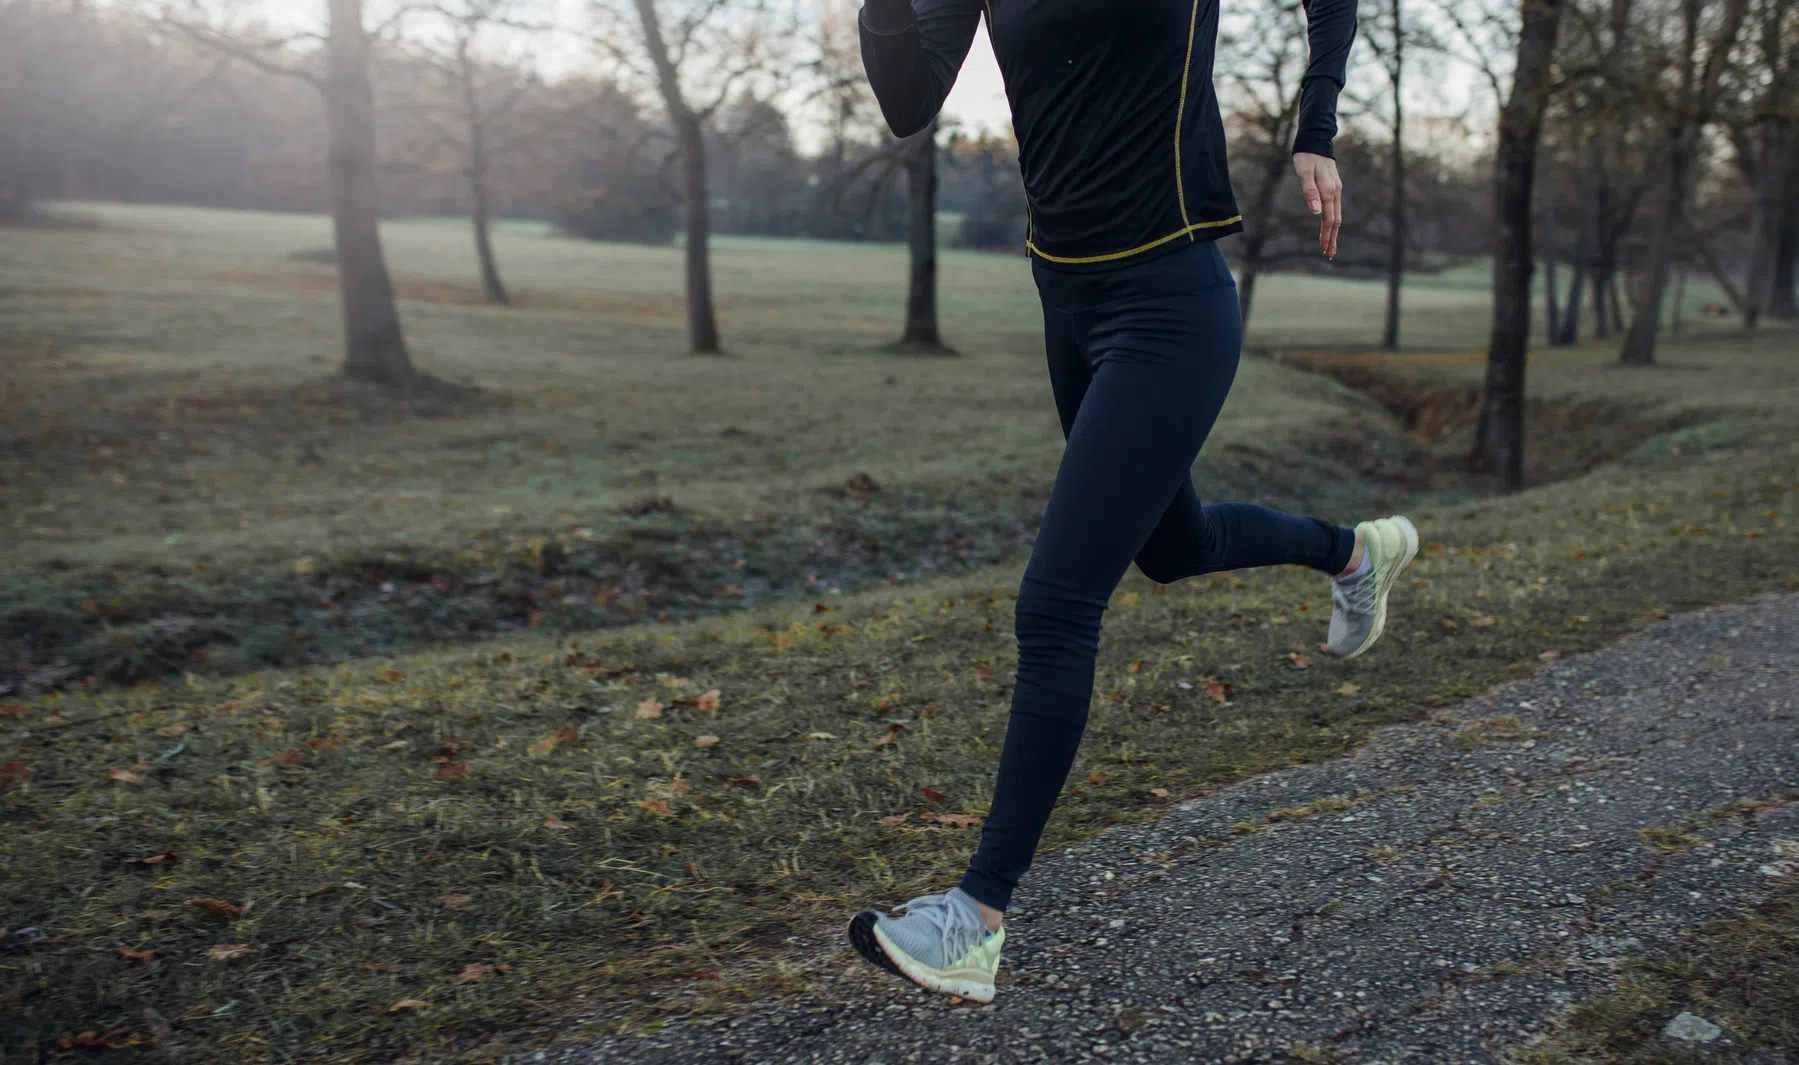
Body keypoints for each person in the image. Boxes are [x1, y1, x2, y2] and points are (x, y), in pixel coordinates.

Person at [846, 0, 1417, 1004]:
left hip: (1170, 305)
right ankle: (1349, 553)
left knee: (1056, 604)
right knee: (1172, 544)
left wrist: (1313, 131)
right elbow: (905, 98)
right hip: (1065, 300)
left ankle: (974, 918)